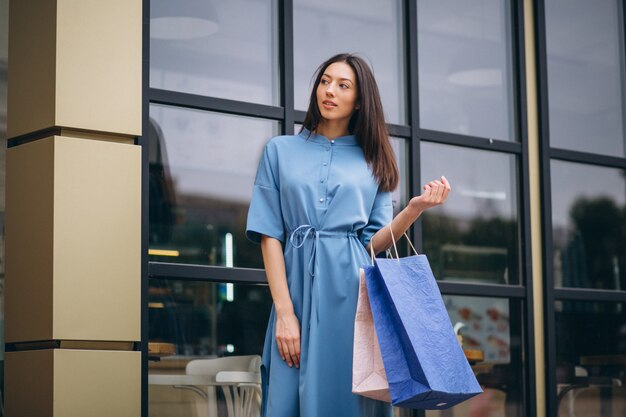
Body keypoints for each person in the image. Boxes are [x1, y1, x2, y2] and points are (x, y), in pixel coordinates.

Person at [246, 53, 451, 417]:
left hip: (352, 300)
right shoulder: (279, 151)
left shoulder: (376, 161)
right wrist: (284, 313)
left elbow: (372, 243)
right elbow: (269, 235)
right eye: (325, 81)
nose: (329, 91)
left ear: (359, 100)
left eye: (343, 85)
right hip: (294, 293)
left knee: (348, 400)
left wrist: (413, 209)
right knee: (284, 396)